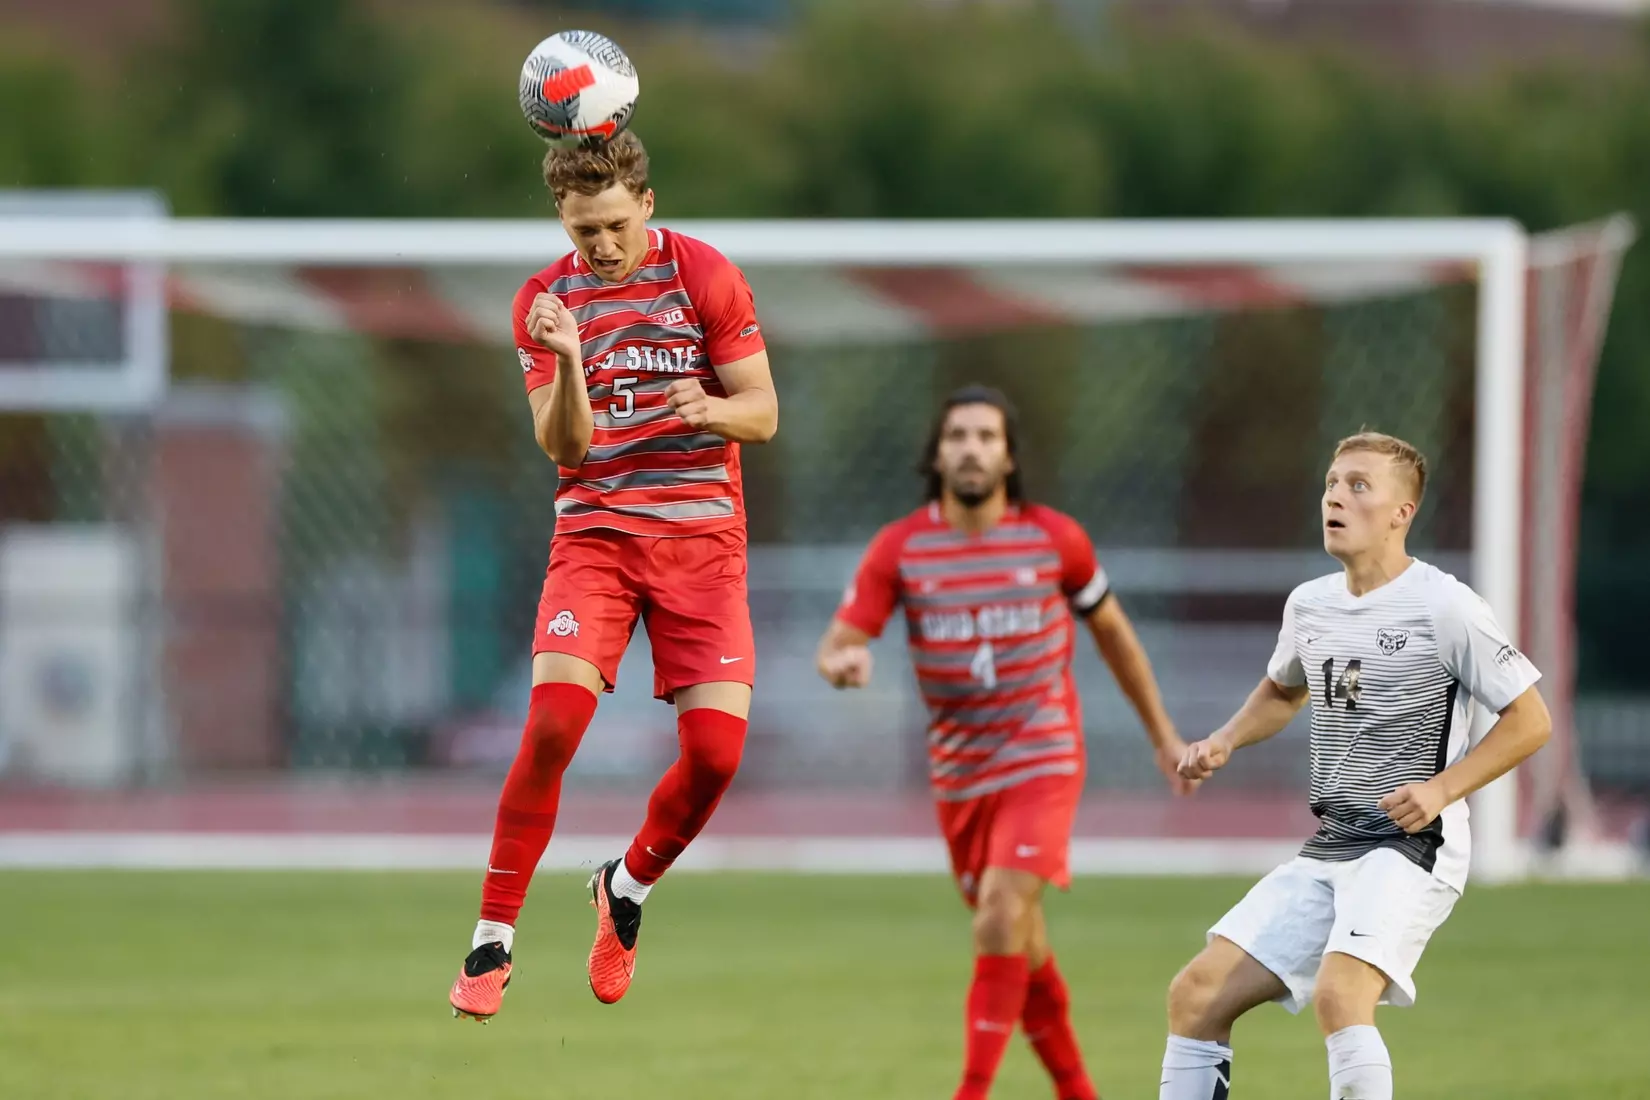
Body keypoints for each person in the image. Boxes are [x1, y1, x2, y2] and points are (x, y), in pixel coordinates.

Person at [449, 130, 778, 1021]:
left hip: (701, 548)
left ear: (648, 204)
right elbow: (567, 447)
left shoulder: (706, 275)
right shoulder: (543, 303)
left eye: (614, 225)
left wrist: (709, 406)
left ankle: (625, 885)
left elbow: (765, 412)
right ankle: (492, 940)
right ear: (560, 215)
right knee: (554, 724)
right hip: (594, 542)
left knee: (715, 756)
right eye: (581, 227)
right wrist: (565, 358)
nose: (599, 245)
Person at [816, 384, 1192, 1100]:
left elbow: (1113, 635)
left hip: (1042, 754)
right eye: (957, 435)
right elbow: (839, 641)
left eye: (987, 436)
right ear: (936, 454)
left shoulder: (1054, 539)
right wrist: (843, 663)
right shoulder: (901, 548)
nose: (971, 448)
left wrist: (1162, 736)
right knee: (1019, 938)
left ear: (1010, 456)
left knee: (999, 913)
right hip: (961, 775)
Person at [1159, 431, 1551, 1100]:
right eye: (1332, 483)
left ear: (1403, 512)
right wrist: (1225, 739)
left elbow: (1531, 720)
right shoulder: (1311, 605)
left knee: (1342, 996)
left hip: (1412, 844)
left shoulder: (1445, 605)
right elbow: (1284, 691)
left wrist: (1440, 790)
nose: (1335, 496)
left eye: (1358, 485)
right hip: (1334, 843)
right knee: (1195, 995)